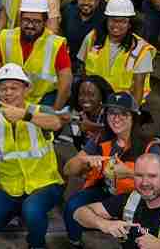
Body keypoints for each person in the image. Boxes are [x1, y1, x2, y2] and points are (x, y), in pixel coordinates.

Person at [0, 63, 64, 249]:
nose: (8, 93)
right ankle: (16, 211)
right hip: (10, 190)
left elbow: (56, 123)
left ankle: (37, 244)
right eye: (3, 89)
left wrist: (25, 115)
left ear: (26, 89)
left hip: (44, 186)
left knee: (32, 209)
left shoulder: (40, 111)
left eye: (14, 88)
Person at [63, 91, 144, 248]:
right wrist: (84, 161)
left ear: (133, 117)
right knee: (72, 205)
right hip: (105, 190)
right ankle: (75, 242)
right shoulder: (101, 138)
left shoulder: (148, 144)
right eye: (112, 113)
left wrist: (128, 172)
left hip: (134, 197)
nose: (116, 118)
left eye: (123, 114)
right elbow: (68, 169)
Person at [73, 154, 160, 248]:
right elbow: (79, 213)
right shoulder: (131, 199)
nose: (145, 183)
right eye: (139, 175)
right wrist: (105, 224)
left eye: (152, 176)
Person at [0, 0, 72, 109]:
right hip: (12, 96)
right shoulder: (5, 37)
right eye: (26, 20)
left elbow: (66, 82)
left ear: (45, 22)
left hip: (43, 98)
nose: (30, 25)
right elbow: (0, 69)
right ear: (20, 19)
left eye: (36, 22)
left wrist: (55, 111)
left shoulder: (56, 43)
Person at [78, 0, 155, 107]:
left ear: (130, 24)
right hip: (95, 100)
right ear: (106, 20)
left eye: (122, 21)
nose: (116, 25)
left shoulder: (141, 50)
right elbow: (83, 73)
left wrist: (132, 114)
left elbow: (138, 89)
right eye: (113, 20)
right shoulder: (92, 38)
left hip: (123, 104)